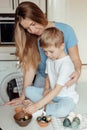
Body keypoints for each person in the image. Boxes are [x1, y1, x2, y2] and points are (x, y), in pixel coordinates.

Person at [6, 1, 81, 106]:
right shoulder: (30, 38)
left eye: (33, 24)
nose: (32, 30)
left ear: (39, 15)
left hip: (62, 78)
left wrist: (77, 71)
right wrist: (22, 96)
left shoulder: (66, 30)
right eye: (27, 28)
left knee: (59, 104)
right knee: (34, 106)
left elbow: (76, 60)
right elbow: (30, 69)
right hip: (43, 78)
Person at [22, 27, 79, 117]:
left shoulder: (66, 65)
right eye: (45, 51)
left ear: (62, 46)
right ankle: (48, 105)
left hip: (65, 97)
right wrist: (46, 89)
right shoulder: (50, 59)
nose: (48, 54)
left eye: (51, 51)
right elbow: (48, 77)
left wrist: (37, 106)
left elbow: (57, 89)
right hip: (52, 93)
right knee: (27, 90)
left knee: (62, 111)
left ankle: (43, 108)